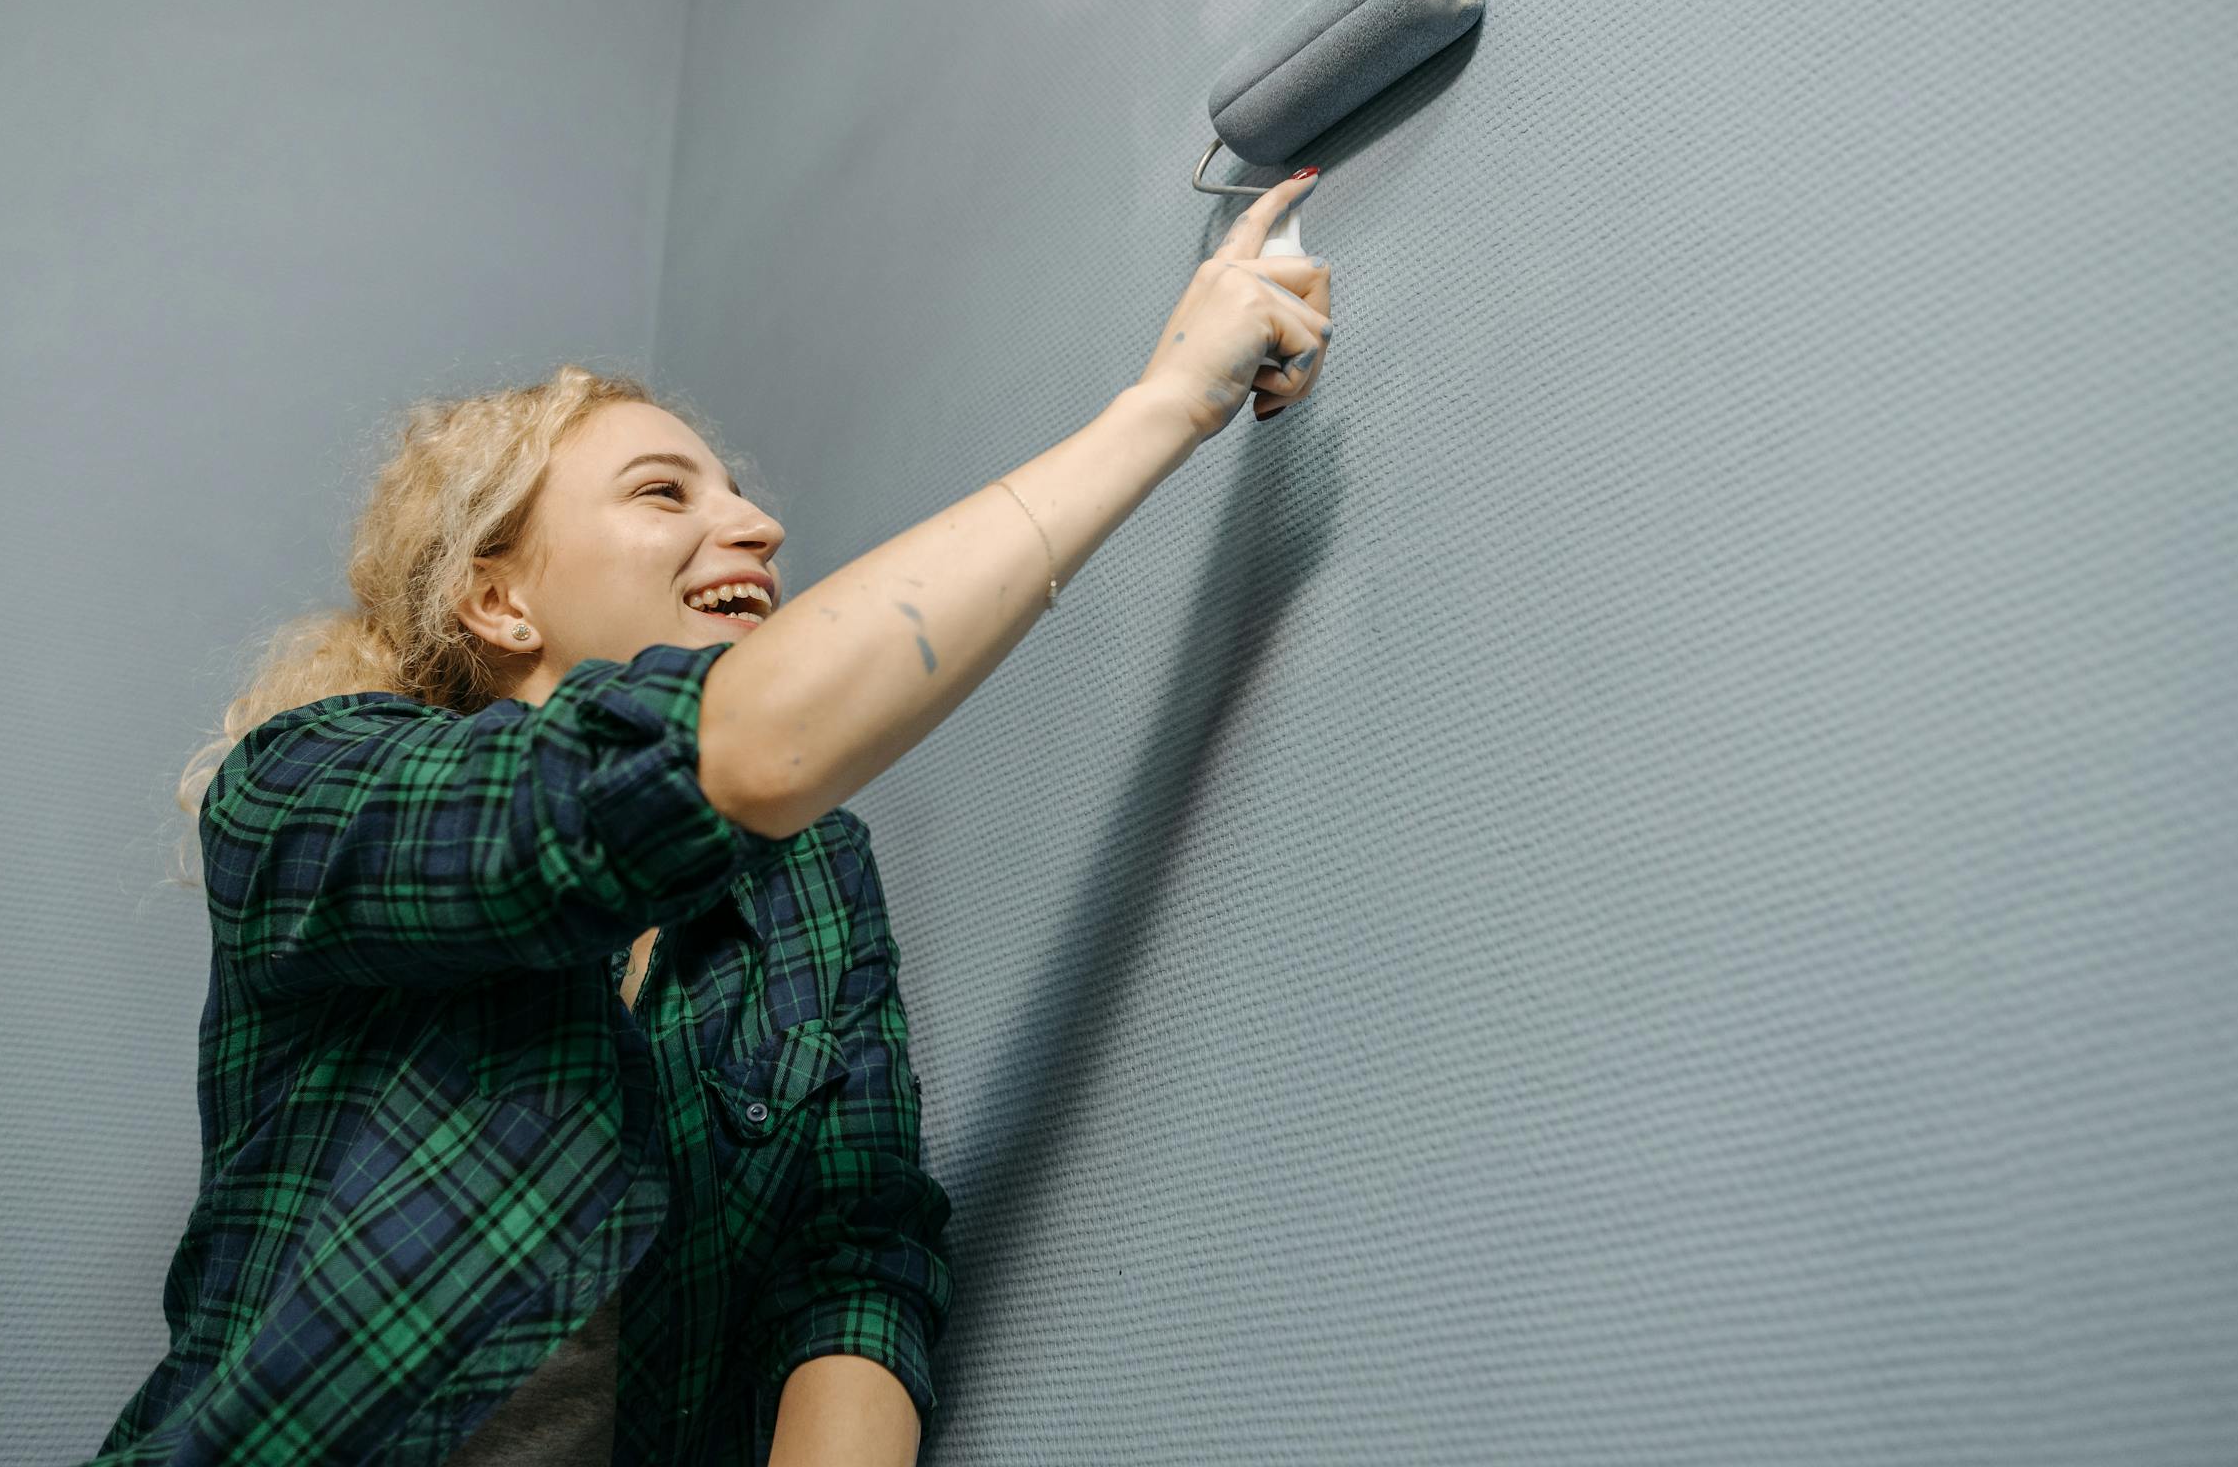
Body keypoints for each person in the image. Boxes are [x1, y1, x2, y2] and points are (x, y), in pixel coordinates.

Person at [88, 171, 1333, 1466]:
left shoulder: (809, 881)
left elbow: (851, 1257)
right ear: (498, 601)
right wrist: (1161, 408)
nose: (757, 523)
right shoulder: (304, 789)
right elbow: (701, 764)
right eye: (664, 494)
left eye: (736, 494)